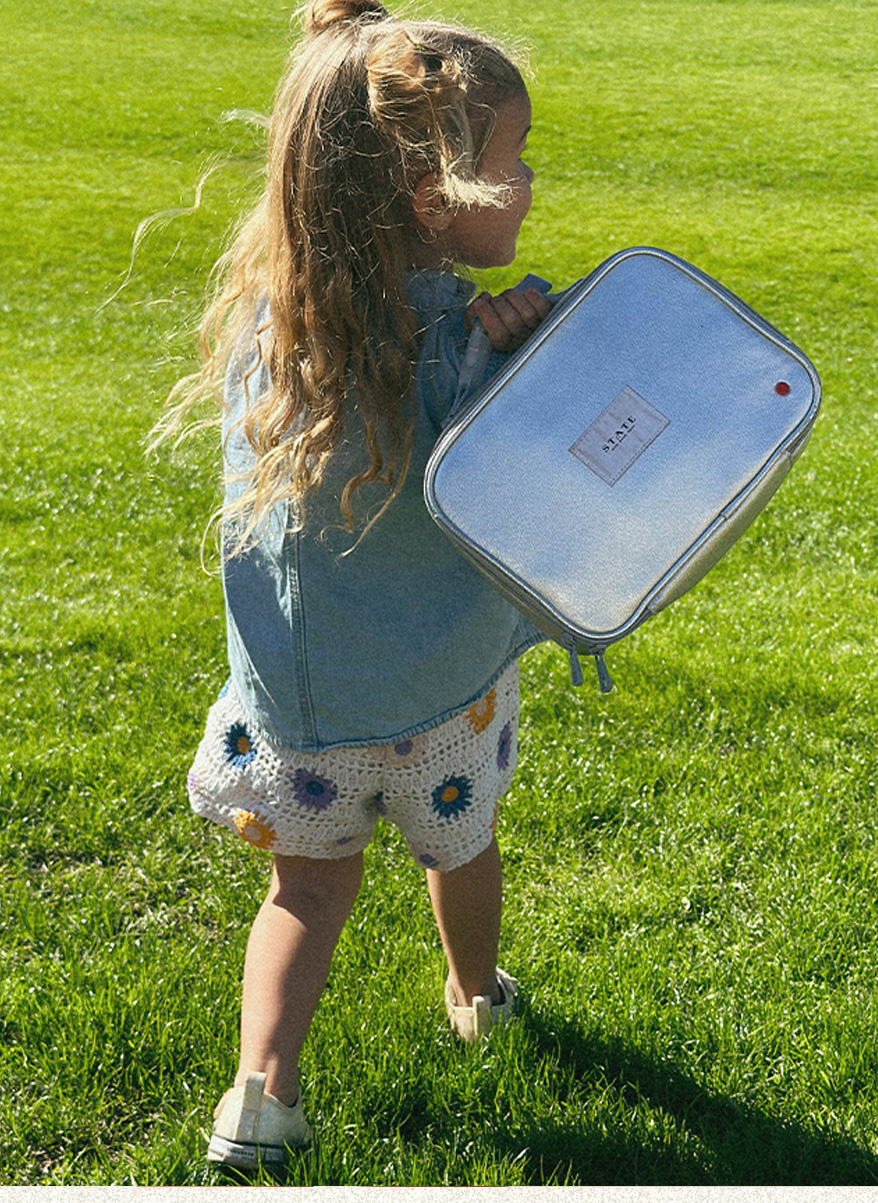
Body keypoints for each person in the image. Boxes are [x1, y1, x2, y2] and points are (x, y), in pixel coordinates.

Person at [160, 0, 553, 1169]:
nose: (530, 181)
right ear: (435, 198)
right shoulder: (458, 345)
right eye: (514, 159)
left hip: (303, 709)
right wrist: (516, 358)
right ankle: (475, 997)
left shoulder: (276, 323)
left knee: (305, 895)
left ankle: (259, 1098)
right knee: (462, 850)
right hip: (442, 698)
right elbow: (511, 487)